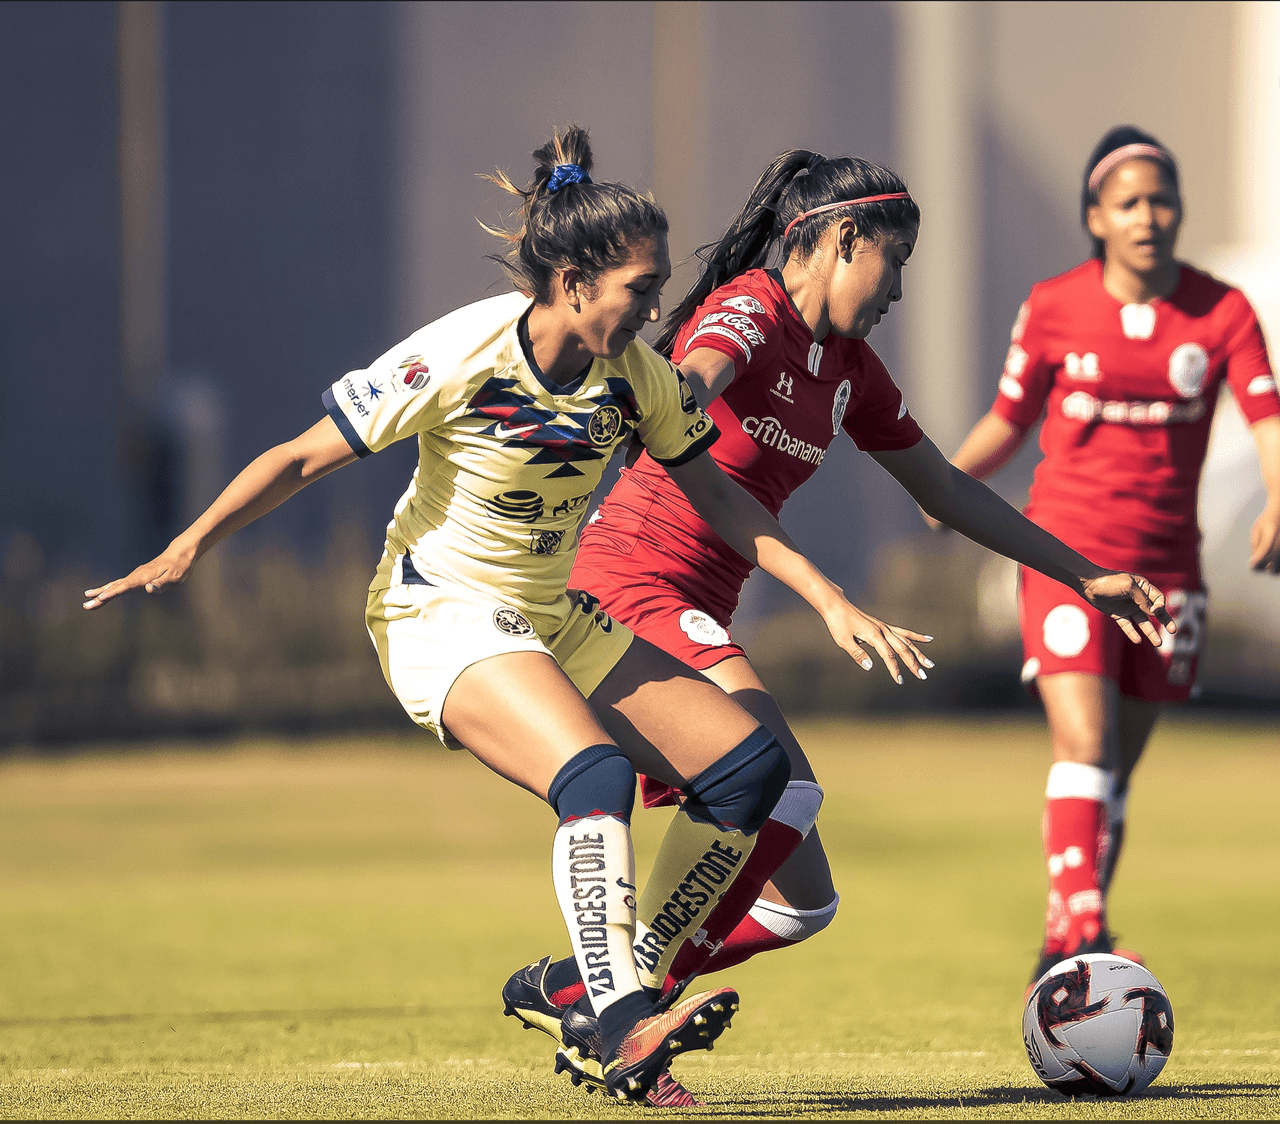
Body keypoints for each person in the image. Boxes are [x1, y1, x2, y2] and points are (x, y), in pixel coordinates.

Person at [82, 125, 962, 1106]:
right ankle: (623, 1020)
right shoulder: (465, 347)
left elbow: (718, 496)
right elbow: (298, 455)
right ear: (573, 282)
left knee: (748, 772)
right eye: (640, 285)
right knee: (592, 774)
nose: (655, 305)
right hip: (440, 612)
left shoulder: (634, 375)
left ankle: (594, 989)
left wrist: (827, 594)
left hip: (553, 614)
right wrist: (189, 542)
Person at [498, 148, 1177, 1100]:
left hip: (698, 606)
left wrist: (1084, 574)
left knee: (802, 901)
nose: (900, 288)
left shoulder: (848, 367)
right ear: (842, 238)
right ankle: (623, 1020)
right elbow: (694, 372)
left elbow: (941, 486)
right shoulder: (751, 307)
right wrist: (665, 392)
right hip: (630, 587)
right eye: (894, 261)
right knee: (779, 786)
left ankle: (587, 990)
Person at [936, 125, 1279, 988]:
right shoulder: (1053, 306)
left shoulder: (1223, 311)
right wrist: (941, 485)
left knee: (1115, 773)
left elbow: (1268, 418)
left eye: (1161, 199)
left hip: (1169, 574)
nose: (1148, 216)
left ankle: (1069, 932)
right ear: (1097, 214)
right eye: (1128, 202)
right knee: (1082, 741)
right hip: (1067, 560)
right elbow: (1008, 422)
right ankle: (1083, 931)